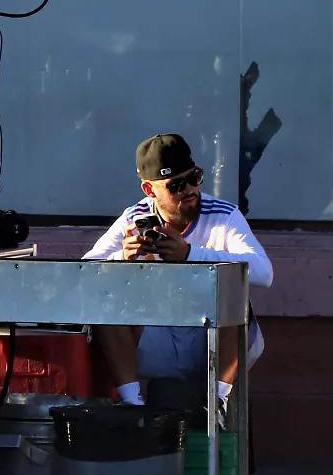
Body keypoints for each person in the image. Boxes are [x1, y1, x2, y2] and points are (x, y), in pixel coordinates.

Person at [82, 134, 272, 410]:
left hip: (212, 336)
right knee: (104, 298)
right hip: (158, 334)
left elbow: (264, 274)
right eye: (176, 185)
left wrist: (190, 255)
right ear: (149, 190)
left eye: (195, 177)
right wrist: (122, 257)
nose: (190, 190)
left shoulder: (222, 215)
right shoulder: (134, 217)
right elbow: (82, 274)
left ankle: (216, 403)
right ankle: (132, 405)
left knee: (232, 286)